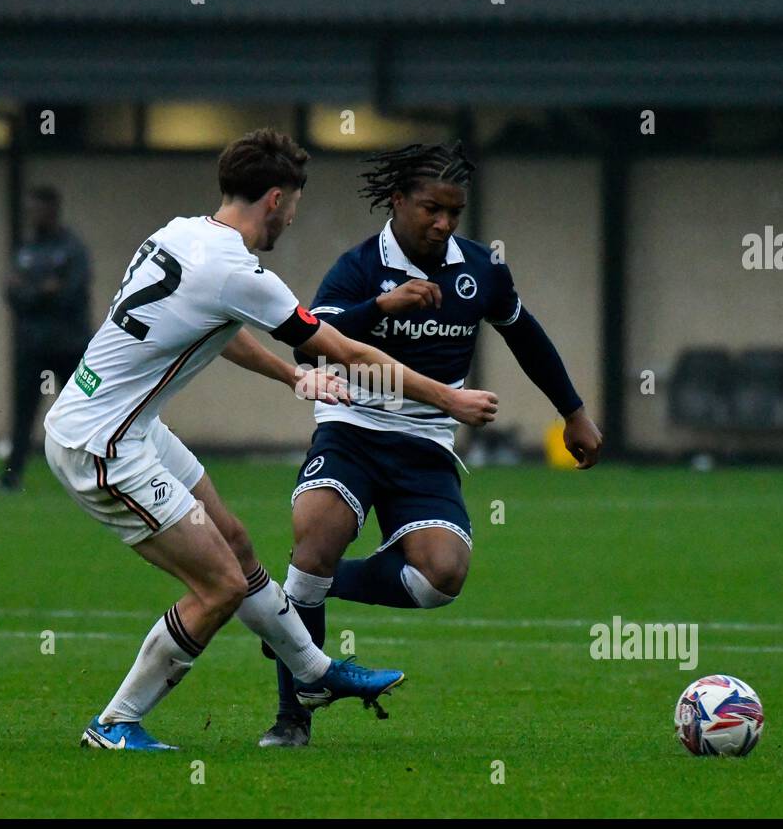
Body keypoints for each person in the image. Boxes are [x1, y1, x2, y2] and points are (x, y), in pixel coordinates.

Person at [41, 129, 499, 750]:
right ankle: (116, 724)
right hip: (102, 446)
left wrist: (290, 376)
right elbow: (345, 348)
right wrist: (449, 398)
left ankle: (313, 673)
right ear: (277, 200)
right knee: (221, 586)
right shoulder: (239, 270)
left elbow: (219, 330)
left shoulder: (179, 234)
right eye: (295, 208)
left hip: (126, 425)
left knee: (236, 542)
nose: (291, 221)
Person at [258, 141, 603, 747]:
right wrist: (381, 306)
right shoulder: (360, 266)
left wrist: (573, 412)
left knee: (442, 577)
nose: (443, 224)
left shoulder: (480, 271)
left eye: (454, 212)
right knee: (317, 533)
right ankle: (292, 719)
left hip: (424, 443)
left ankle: (297, 599)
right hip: (353, 429)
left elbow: (526, 335)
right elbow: (307, 344)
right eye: (430, 209)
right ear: (397, 202)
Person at [0, 186, 90, 492]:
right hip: (31, 347)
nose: (32, 215)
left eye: (37, 209)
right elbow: (12, 294)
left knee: (80, 412)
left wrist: (34, 292)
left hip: (68, 346)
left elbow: (71, 295)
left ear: (52, 210)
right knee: (23, 415)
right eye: (29, 209)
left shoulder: (72, 248)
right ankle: (11, 477)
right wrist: (42, 290)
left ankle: (91, 474)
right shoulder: (25, 248)